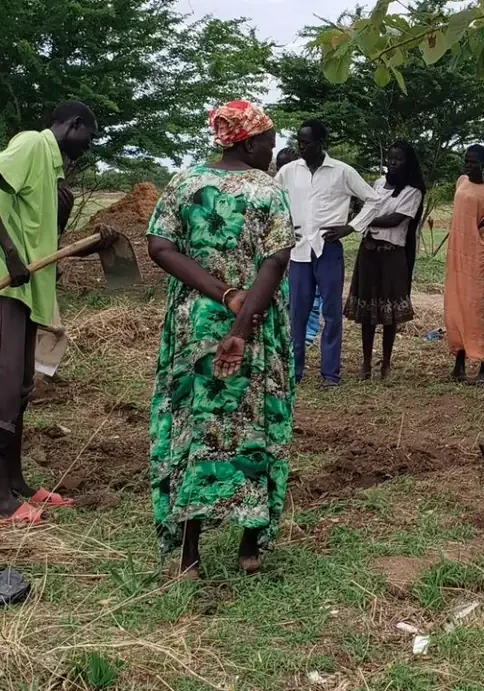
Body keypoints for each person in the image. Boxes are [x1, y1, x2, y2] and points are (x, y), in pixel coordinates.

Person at [146, 99, 294, 577]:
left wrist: (222, 295)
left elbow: (159, 246)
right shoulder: (267, 192)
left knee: (194, 427)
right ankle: (249, 549)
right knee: (255, 425)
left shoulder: (185, 182)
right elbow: (274, 263)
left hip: (193, 327)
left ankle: (189, 556)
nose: (272, 152)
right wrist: (241, 323)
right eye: (269, 143)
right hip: (255, 328)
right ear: (250, 141)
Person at [0, 101, 111, 525]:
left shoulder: (53, 172)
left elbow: (43, 238)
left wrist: (90, 245)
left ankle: (16, 484)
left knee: (22, 386)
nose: (91, 143)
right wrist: (10, 254)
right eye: (90, 134)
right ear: (74, 124)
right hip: (6, 283)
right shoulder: (31, 144)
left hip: (27, 289)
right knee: (4, 384)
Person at [276, 119, 374, 388]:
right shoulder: (288, 171)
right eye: (299, 141)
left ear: (321, 144)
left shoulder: (341, 172)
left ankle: (330, 375)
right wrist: (284, 229)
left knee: (331, 314)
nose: (301, 147)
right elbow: (274, 199)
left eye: (306, 142)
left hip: (328, 249)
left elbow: (373, 200)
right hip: (298, 252)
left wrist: (350, 227)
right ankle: (293, 374)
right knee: (297, 313)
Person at [345, 141, 426, 379]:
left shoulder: (413, 191)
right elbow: (368, 208)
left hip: (392, 254)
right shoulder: (379, 184)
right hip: (369, 251)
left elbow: (395, 220)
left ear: (407, 162)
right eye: (390, 158)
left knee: (389, 312)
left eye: (398, 159)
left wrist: (363, 220)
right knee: (367, 309)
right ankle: (367, 362)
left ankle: (386, 363)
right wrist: (366, 217)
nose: (392, 162)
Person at [445, 144, 484, 384]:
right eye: (466, 161)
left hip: (480, 254)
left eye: (474, 162)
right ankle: (459, 362)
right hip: (459, 252)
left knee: (481, 308)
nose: (469, 165)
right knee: (458, 305)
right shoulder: (461, 182)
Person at [275, 147, 323, 349]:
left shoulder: (311, 187)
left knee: (310, 297)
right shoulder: (274, 191)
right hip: (282, 252)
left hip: (307, 249)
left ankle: (304, 339)